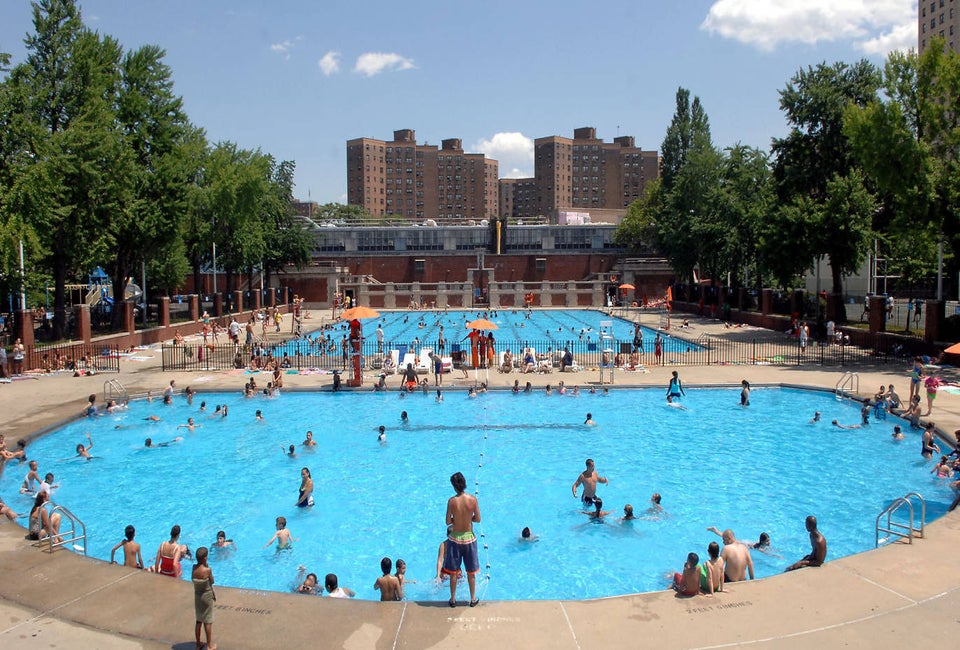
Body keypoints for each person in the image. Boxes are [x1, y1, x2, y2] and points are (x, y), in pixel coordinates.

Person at [442, 471, 481, 608]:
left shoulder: (452, 501)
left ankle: (452, 599)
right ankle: (473, 598)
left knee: (453, 572)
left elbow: (447, 521)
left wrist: (456, 519)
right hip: (469, 538)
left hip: (455, 539)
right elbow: (478, 519)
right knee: (471, 572)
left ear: (454, 486)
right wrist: (467, 518)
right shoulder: (472, 500)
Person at [192, 546, 216, 650]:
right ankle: (209, 645)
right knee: (208, 621)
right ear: (205, 558)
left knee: (198, 620)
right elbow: (212, 581)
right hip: (207, 597)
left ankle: (198, 644)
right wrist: (207, 566)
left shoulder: (194, 568)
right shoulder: (207, 570)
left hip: (197, 597)